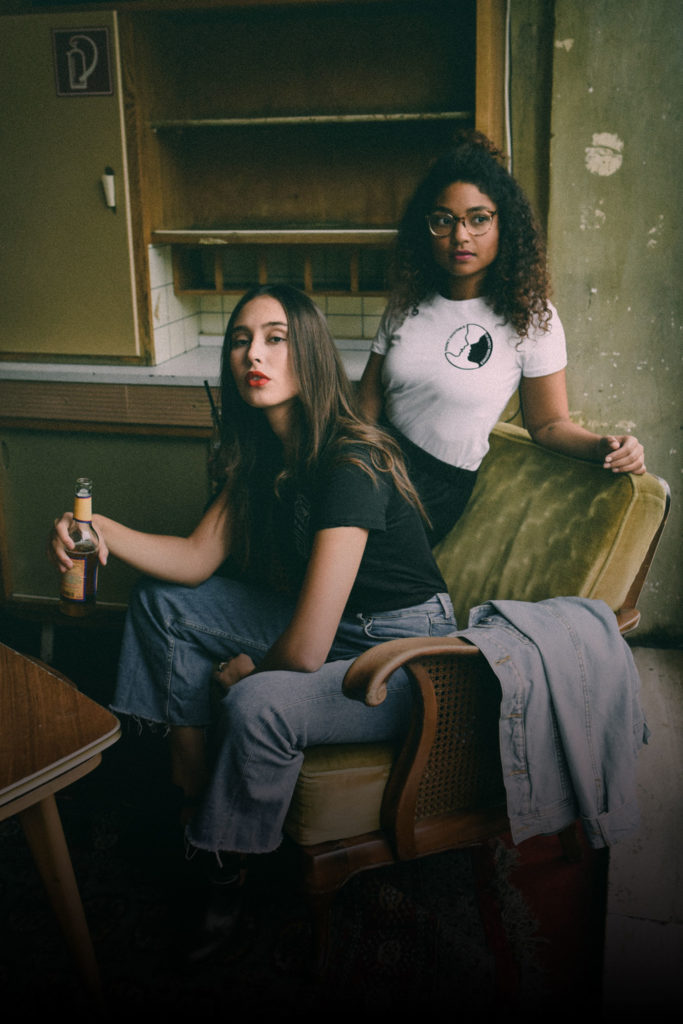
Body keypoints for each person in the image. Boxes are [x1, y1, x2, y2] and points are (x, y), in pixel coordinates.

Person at [48, 284, 457, 958]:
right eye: (240, 339)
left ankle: (224, 865)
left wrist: (247, 671)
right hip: (336, 626)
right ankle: (191, 795)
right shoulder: (265, 452)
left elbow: (303, 649)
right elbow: (192, 559)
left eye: (275, 338)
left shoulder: (350, 461)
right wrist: (99, 531)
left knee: (260, 701)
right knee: (160, 602)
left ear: (312, 355)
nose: (252, 355)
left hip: (403, 651)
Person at [358, 131, 646, 546]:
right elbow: (365, 414)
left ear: (503, 224)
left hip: (434, 489)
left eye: (478, 218)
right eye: (444, 220)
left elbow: (548, 424)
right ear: (428, 227)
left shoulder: (533, 318)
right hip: (374, 465)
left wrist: (606, 446)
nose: (461, 236)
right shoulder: (406, 304)